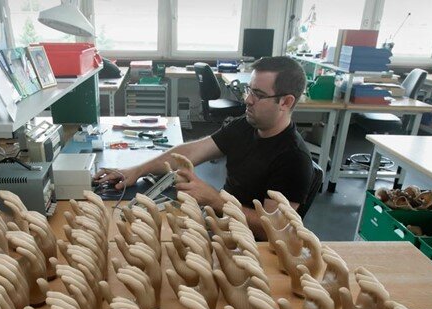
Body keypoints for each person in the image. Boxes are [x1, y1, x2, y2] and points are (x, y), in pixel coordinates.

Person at [94, 56, 314, 240]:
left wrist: (214, 200)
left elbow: (272, 231)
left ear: (286, 102)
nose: (248, 100)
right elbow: (189, 153)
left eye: (259, 95)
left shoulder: (293, 159)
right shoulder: (246, 126)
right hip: (220, 222)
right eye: (249, 90)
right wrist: (137, 170)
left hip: (245, 246)